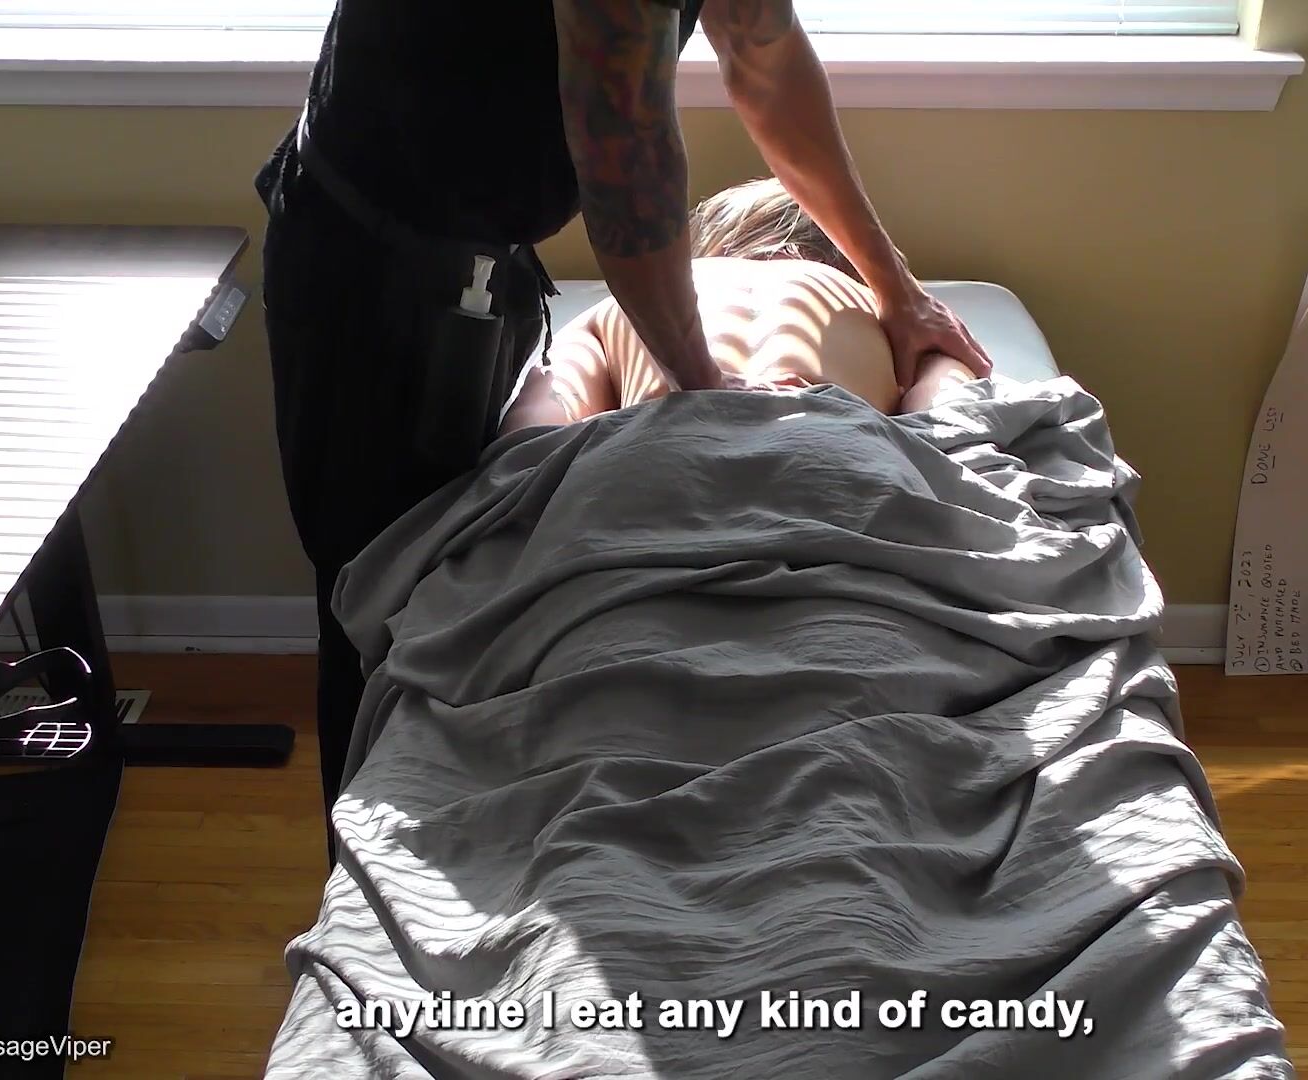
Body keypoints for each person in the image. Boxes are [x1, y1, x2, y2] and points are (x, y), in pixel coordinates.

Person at [255, 0, 995, 842]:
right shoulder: (692, 314)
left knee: (492, 625)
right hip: (373, 270)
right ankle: (386, 851)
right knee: (379, 610)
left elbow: (765, 52)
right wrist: (708, 390)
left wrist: (895, 290)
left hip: (586, 392)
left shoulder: (607, 328)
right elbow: (627, 172)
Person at [501, 177, 984, 433]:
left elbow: (539, 426)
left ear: (713, 243)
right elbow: (954, 417)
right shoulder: (889, 312)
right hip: (831, 440)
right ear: (841, 260)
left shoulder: (626, 306)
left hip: (664, 443)